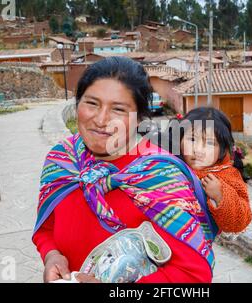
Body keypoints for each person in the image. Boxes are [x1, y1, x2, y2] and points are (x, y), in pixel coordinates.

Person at [32, 57, 217, 283]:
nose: (101, 120)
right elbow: (46, 229)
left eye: (118, 109)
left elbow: (194, 275)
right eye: (91, 103)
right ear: (77, 103)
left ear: (139, 117)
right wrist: (51, 256)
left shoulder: (160, 177)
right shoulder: (62, 161)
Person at [176, 107, 252, 233]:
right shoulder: (170, 164)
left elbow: (240, 221)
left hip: (196, 246)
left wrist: (220, 195)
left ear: (223, 149)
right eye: (193, 139)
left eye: (210, 143)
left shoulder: (227, 176)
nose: (199, 150)